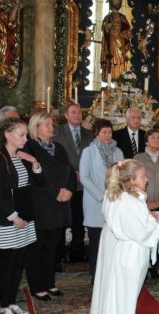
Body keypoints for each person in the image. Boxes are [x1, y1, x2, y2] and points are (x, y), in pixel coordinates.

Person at [90, 159, 159, 314]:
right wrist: (152, 222)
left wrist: (145, 216)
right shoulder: (130, 202)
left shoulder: (114, 194)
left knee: (117, 293)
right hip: (132, 251)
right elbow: (142, 230)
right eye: (143, 176)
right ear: (130, 180)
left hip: (121, 249)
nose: (146, 180)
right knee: (127, 296)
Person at [0, 118, 43, 314]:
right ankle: (3, 305)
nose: (25, 138)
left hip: (24, 218)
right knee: (7, 265)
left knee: (18, 264)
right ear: (7, 135)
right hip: (8, 219)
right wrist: (14, 217)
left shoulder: (21, 157)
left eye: (26, 135)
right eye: (21, 135)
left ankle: (11, 302)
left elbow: (36, 183)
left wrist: (34, 163)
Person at [24, 112, 76, 301]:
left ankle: (49, 282)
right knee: (38, 247)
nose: (51, 127)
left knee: (53, 248)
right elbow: (35, 178)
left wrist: (70, 190)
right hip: (41, 204)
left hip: (60, 205)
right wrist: (56, 192)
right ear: (35, 127)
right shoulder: (29, 147)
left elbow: (70, 172)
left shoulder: (59, 148)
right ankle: (37, 286)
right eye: (46, 124)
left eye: (51, 124)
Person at [80, 119, 123, 283]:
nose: (107, 135)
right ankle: (95, 274)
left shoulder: (118, 152)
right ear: (97, 134)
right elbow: (84, 177)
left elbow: (123, 174)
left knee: (113, 238)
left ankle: (111, 272)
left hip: (114, 201)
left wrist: (116, 193)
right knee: (96, 240)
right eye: (104, 132)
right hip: (95, 202)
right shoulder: (88, 152)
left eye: (109, 132)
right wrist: (102, 195)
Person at [53, 103, 94, 262]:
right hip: (64, 183)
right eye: (73, 112)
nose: (77, 115)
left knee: (79, 219)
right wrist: (71, 173)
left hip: (83, 185)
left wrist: (83, 172)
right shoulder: (57, 132)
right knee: (62, 220)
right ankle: (60, 253)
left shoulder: (89, 134)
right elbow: (55, 157)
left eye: (79, 112)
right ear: (67, 116)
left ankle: (77, 252)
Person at [134, 129, 159, 211]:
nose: (156, 140)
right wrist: (146, 201)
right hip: (141, 203)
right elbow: (133, 182)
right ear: (146, 142)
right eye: (152, 137)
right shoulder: (137, 158)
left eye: (158, 138)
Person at [100, 0, 131, 81]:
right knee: (111, 62)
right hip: (111, 44)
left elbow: (127, 31)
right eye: (115, 1)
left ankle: (121, 79)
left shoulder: (123, 17)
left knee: (121, 63)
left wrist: (125, 35)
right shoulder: (108, 17)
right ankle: (111, 78)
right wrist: (107, 27)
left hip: (120, 44)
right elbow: (104, 29)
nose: (117, 2)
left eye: (118, 1)